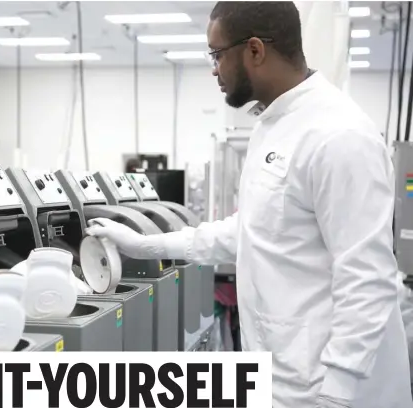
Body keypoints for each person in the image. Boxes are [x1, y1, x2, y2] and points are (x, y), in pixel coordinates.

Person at [85, 2, 413, 408]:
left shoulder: (338, 136)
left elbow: (367, 279)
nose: (213, 68)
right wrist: (147, 245)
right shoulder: (270, 127)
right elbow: (250, 231)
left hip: (333, 389)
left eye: (217, 54)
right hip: (284, 374)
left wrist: (338, 392)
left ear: (255, 50)